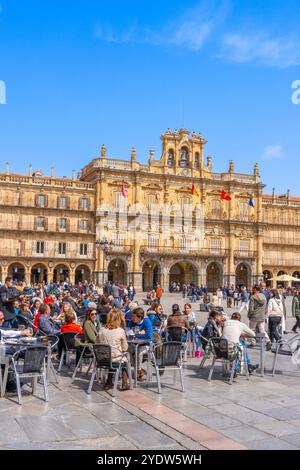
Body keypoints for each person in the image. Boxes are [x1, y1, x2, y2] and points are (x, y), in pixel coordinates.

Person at [98, 308, 130, 390]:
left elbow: (97, 343)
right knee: (124, 358)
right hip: (114, 359)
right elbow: (125, 348)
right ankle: (124, 383)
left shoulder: (101, 330)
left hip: (102, 359)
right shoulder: (120, 331)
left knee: (113, 355)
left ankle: (109, 382)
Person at [127, 307, 153, 381]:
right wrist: (140, 333)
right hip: (134, 344)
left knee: (139, 352)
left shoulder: (146, 322)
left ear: (140, 317)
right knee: (127, 351)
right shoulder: (132, 322)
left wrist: (136, 334)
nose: (132, 318)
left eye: (134, 317)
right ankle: (139, 370)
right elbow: (128, 332)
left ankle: (138, 371)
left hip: (146, 345)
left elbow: (148, 336)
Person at [247, 285, 271, 350]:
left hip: (254, 316)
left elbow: (251, 309)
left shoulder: (253, 297)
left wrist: (249, 315)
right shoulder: (263, 296)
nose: (252, 290)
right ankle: (268, 341)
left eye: (253, 289)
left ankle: (253, 342)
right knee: (262, 330)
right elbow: (266, 306)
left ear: (255, 289)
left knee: (252, 330)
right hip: (262, 316)